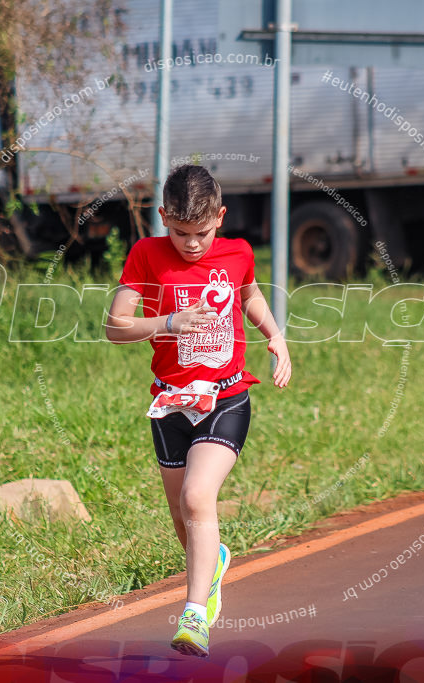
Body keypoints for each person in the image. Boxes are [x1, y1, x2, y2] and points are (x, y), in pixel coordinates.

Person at [105, 164, 292, 657]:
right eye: (181, 232)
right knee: (181, 515)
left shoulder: (238, 252)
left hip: (226, 398)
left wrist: (275, 336)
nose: (191, 244)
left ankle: (193, 614)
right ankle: (214, 563)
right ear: (164, 216)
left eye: (202, 233)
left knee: (195, 496)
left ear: (221, 217)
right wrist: (167, 322)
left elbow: (248, 293)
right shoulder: (146, 255)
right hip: (171, 403)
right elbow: (115, 326)